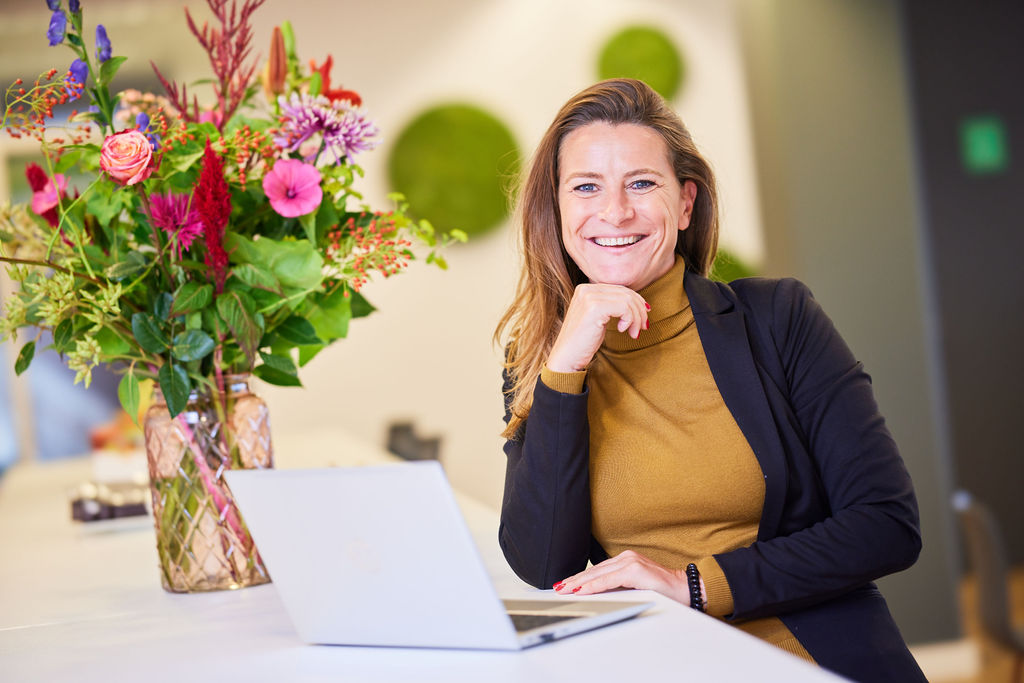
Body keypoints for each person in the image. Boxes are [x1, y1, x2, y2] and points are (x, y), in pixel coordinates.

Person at [494, 78, 926, 682]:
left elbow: (886, 524)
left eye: (642, 183)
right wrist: (563, 371)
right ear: (558, 209)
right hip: (664, 665)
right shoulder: (542, 357)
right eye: (586, 187)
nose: (614, 211)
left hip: (806, 657)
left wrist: (693, 585)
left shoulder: (779, 318)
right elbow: (544, 564)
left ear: (686, 203)